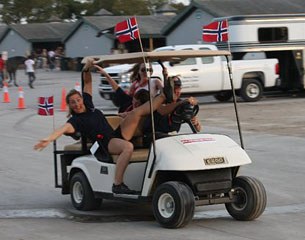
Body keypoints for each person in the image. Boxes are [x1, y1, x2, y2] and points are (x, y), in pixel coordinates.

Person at [34, 59, 172, 195]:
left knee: (136, 113)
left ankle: (163, 96)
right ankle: (117, 184)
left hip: (114, 135)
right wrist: (48, 139)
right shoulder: (76, 121)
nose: (77, 104)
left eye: (78, 100)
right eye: (73, 102)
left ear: (82, 99)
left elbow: (87, 82)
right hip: (104, 144)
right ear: (70, 106)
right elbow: (63, 129)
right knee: (127, 147)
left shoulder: (88, 104)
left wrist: (87, 68)